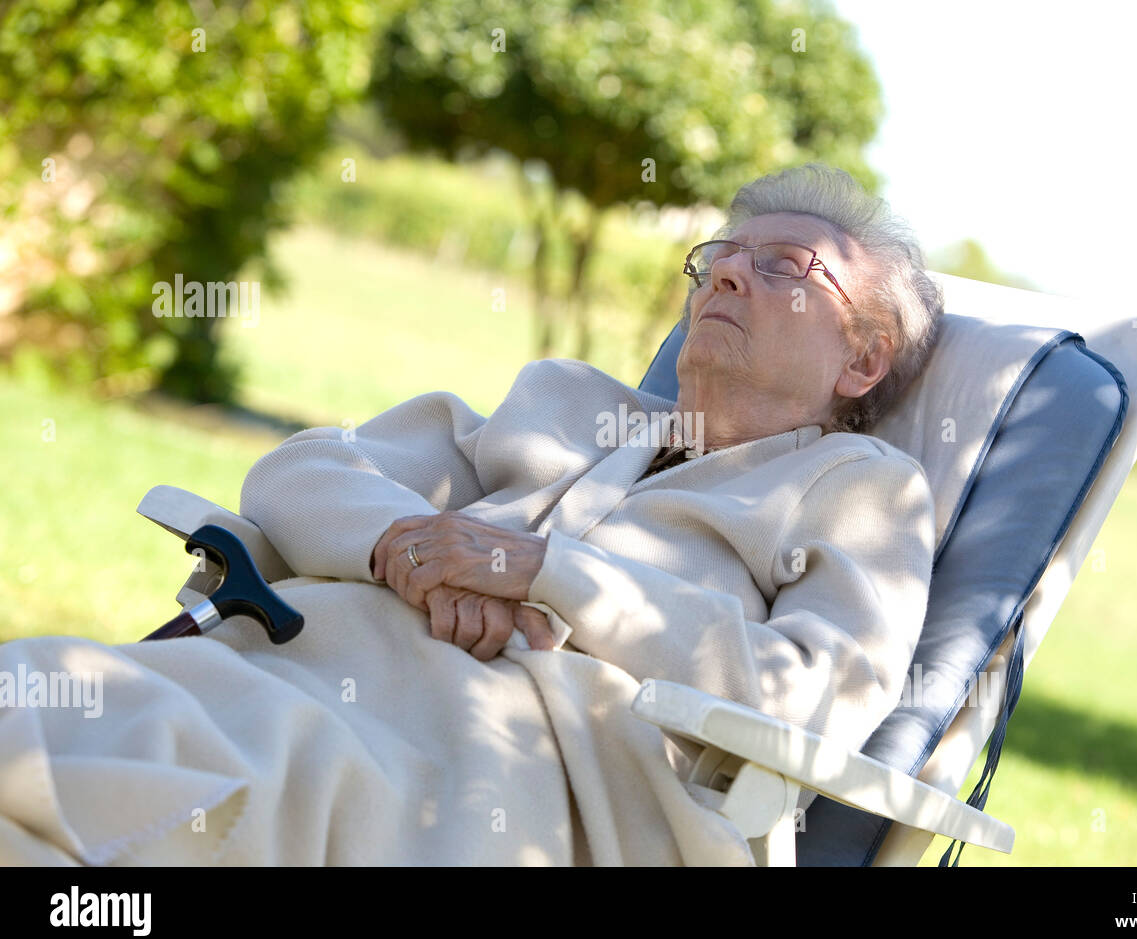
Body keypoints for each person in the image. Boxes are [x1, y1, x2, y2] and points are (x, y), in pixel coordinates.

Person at [0, 163, 940, 866]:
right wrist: (412, 550)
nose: (724, 278)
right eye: (718, 259)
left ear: (862, 360)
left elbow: (815, 697)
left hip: (514, 766)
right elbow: (302, 468)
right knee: (46, 693)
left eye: (785, 268)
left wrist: (536, 570)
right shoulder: (565, 401)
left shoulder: (862, 486)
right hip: (313, 663)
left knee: (201, 786)